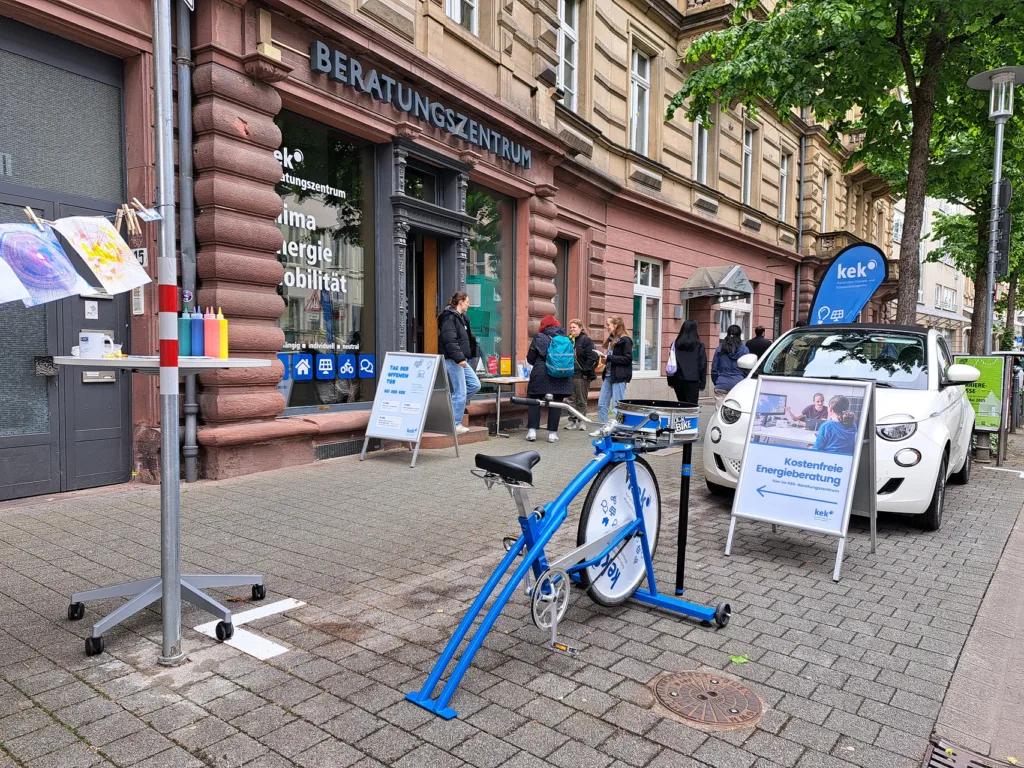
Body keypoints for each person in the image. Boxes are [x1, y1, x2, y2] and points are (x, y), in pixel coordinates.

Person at [525, 315, 574, 442]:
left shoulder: (540, 337)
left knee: (535, 401)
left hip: (541, 373)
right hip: (561, 375)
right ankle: (553, 434)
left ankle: (532, 432)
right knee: (556, 403)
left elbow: (530, 358)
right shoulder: (565, 339)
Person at [438, 291, 480, 434]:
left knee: (475, 385)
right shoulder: (449, 318)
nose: (469, 304)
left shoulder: (462, 318)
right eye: (467, 301)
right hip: (453, 360)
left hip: (461, 359)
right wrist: (459, 358)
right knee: (460, 392)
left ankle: (449, 406)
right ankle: (455, 424)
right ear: (461, 302)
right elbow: (450, 341)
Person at [590, 316, 633, 436]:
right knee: (601, 404)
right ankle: (603, 428)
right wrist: (605, 360)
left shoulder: (625, 340)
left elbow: (628, 358)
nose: (606, 327)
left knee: (617, 406)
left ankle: (620, 429)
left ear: (615, 325)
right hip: (609, 376)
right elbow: (612, 358)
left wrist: (609, 358)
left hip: (619, 377)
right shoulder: (611, 339)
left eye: (608, 324)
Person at [565, 319, 598, 430]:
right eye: (570, 327)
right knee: (570, 400)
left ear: (580, 328)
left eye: (574, 327)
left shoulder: (585, 340)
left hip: (581, 375)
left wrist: (585, 372)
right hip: (569, 374)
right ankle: (572, 421)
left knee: (581, 400)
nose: (571, 329)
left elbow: (592, 357)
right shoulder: (569, 340)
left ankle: (582, 421)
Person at [667, 319, 706, 406]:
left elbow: (671, 362)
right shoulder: (699, 345)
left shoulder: (675, 344)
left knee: (681, 404)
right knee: (692, 406)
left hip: (677, 379)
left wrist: (670, 381)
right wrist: (703, 383)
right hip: (693, 380)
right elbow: (702, 365)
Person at [711, 324, 750, 408]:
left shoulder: (719, 349)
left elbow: (714, 369)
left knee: (719, 413)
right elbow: (747, 369)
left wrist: (717, 381)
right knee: (736, 411)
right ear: (739, 335)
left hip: (722, 383)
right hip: (738, 384)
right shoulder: (745, 350)